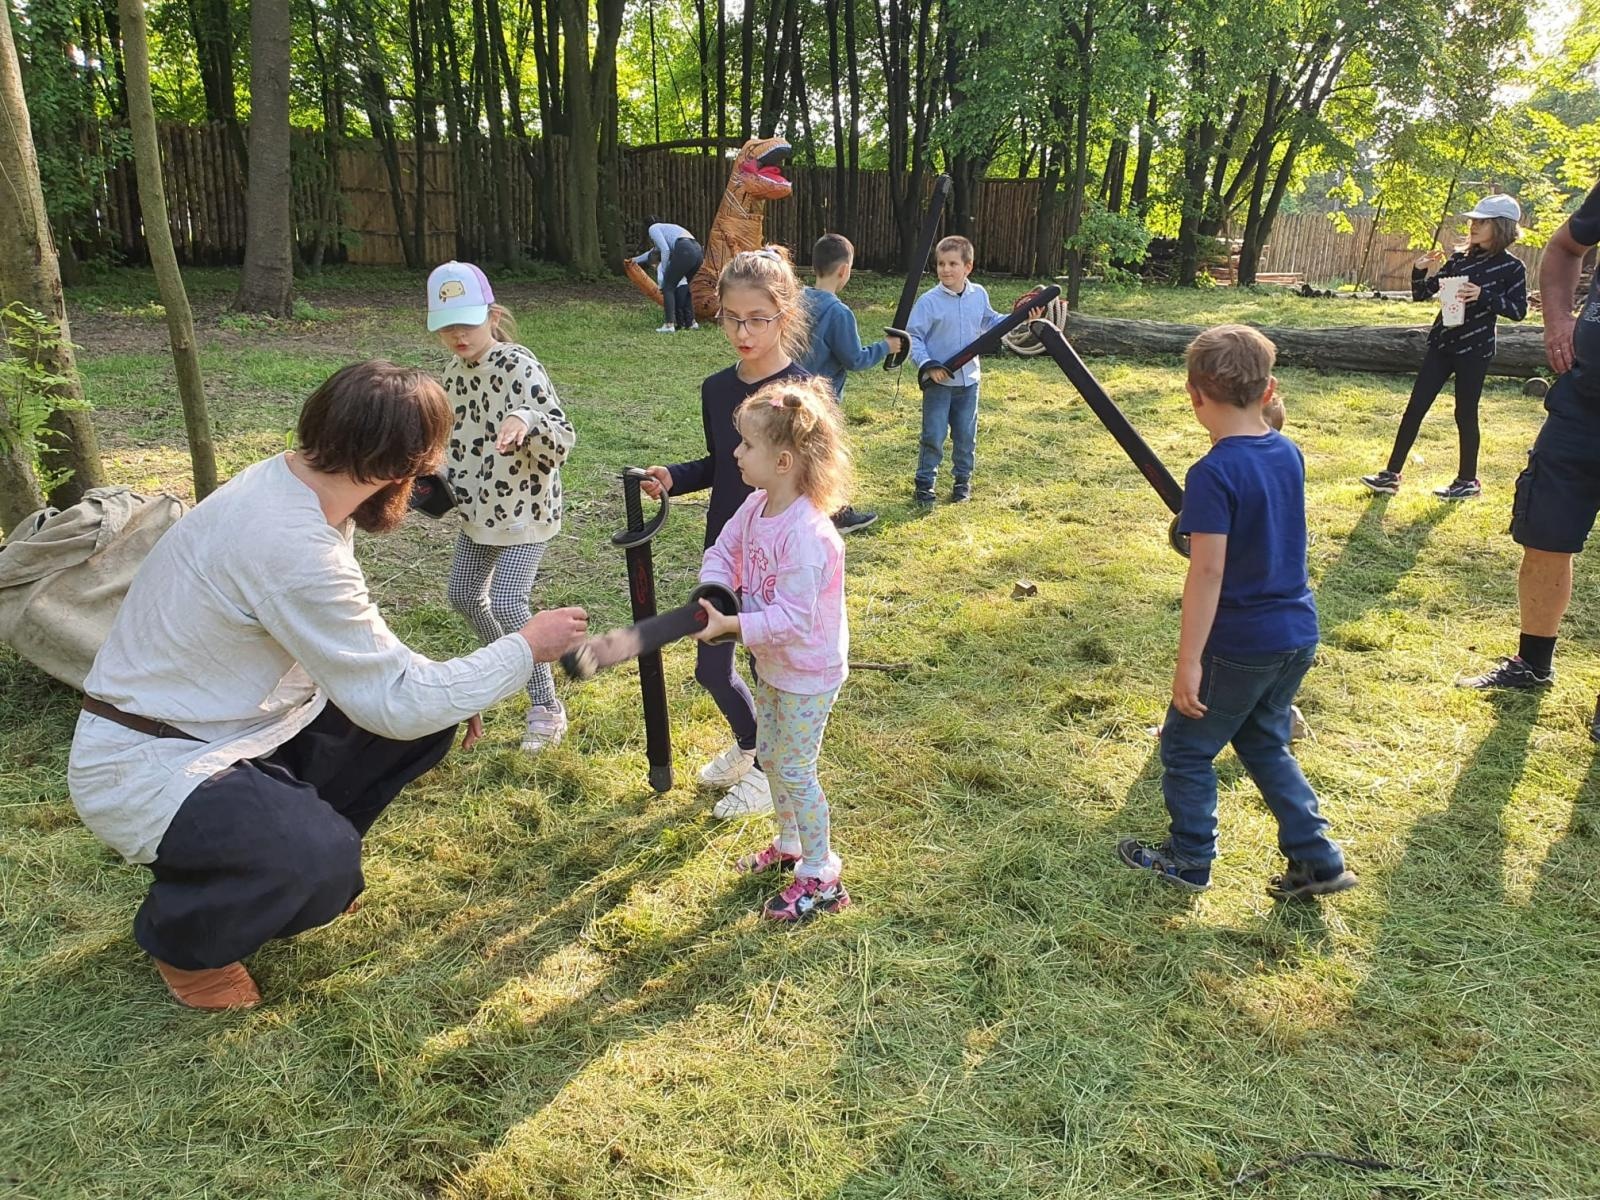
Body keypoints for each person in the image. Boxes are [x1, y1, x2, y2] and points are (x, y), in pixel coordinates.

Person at [67, 361, 589, 1009]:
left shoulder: (299, 492)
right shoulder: (288, 541)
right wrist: (523, 647)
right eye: (433, 455)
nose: (438, 469)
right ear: (398, 463)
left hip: (235, 723)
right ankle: (190, 945)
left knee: (422, 729)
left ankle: (279, 857)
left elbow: (368, 663)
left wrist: (452, 690)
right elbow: (396, 700)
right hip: (149, 762)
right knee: (318, 858)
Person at [1118, 326, 1357, 901]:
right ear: (1269, 387)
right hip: (1296, 633)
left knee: (1186, 748)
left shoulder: (1213, 473)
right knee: (1263, 741)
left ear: (1194, 395)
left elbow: (1208, 573)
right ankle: (1318, 860)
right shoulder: (1287, 451)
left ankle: (1189, 858)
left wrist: (1189, 662)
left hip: (1240, 643)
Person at [641, 247, 811, 818]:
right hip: (728, 548)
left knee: (772, 671)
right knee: (711, 665)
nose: (741, 331)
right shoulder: (717, 388)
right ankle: (749, 744)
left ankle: (769, 773)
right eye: (731, 318)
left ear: (783, 316)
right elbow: (723, 462)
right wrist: (675, 477)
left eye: (756, 319)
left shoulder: (804, 392)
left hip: (781, 557)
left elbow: (819, 481)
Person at [693, 376, 852, 920]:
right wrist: (712, 592)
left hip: (807, 671)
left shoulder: (809, 536)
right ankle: (789, 846)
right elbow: (723, 550)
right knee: (772, 757)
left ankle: (821, 873)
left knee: (797, 768)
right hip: (773, 664)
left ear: (783, 461)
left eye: (746, 445)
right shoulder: (756, 507)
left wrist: (731, 627)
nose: (735, 453)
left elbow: (791, 620)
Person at [1457, 176, 1600, 724]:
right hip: (1584, 401)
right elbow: (1566, 247)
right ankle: (1532, 662)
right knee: (1544, 531)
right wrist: (1559, 321)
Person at [428, 261, 577, 752]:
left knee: (511, 602)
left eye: (466, 324)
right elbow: (450, 440)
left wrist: (524, 420)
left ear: (492, 316)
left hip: (525, 511)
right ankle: (509, 665)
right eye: (446, 327)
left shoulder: (518, 364)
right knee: (464, 595)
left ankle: (546, 703)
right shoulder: (451, 372)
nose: (457, 336)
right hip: (478, 513)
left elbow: (561, 438)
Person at [1360, 195, 1528, 500]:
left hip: (1475, 350)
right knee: (1415, 408)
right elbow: (1422, 294)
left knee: (1465, 414)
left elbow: (1518, 311)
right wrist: (1418, 269)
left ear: (1501, 227)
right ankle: (1390, 476)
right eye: (1473, 220)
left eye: (1482, 221)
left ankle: (1467, 482)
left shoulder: (1511, 267)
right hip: (1442, 343)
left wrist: (1483, 295)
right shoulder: (1460, 259)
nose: (1473, 226)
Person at [907, 236, 1033, 506]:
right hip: (940, 383)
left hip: (969, 382)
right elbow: (913, 337)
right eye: (941, 263)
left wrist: (1022, 316)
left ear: (968, 267)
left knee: (965, 435)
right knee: (934, 435)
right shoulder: (929, 302)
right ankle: (925, 485)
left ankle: (962, 482)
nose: (945, 269)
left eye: (953, 263)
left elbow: (992, 322)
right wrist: (928, 365)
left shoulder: (979, 295)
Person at [797, 232, 906, 534]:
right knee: (824, 458)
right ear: (844, 270)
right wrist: (886, 347)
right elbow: (855, 359)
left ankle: (800, 513)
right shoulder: (838, 312)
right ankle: (835, 515)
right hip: (821, 402)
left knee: (797, 458)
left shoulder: (796, 301)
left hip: (789, 394)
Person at [631, 218, 704, 332]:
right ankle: (691, 322)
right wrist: (634, 260)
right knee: (684, 287)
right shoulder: (669, 229)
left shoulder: (653, 228)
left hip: (685, 250)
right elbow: (653, 252)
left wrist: (665, 271)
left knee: (668, 287)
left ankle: (669, 325)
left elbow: (665, 250)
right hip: (698, 252)